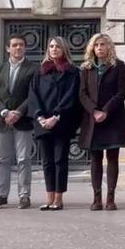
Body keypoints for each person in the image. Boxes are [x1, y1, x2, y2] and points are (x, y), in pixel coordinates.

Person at [0, 34, 38, 209]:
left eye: (21, 45)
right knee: (2, 159)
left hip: (23, 121)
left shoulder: (33, 69)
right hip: (1, 121)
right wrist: (4, 111)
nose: (18, 48)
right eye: (15, 45)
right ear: (8, 48)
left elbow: (33, 94)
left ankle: (24, 195)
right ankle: (1, 195)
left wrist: (19, 112)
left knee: (24, 159)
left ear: (25, 48)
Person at [79, 33, 125, 211]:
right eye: (96, 45)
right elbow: (82, 94)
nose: (99, 47)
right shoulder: (86, 68)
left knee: (112, 158)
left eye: (103, 44)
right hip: (93, 120)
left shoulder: (118, 66)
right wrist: (94, 110)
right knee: (95, 159)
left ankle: (111, 198)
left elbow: (121, 93)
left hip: (112, 118)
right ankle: (96, 198)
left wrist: (105, 111)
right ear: (92, 48)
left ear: (109, 47)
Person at [28, 37, 80, 211]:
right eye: (51, 46)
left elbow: (71, 96)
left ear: (64, 49)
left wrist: (56, 116)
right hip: (42, 122)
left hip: (61, 121)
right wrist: (40, 117)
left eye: (57, 46)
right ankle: (49, 197)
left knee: (60, 160)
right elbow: (33, 95)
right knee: (47, 161)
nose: (54, 49)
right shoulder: (40, 71)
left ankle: (59, 197)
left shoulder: (72, 72)